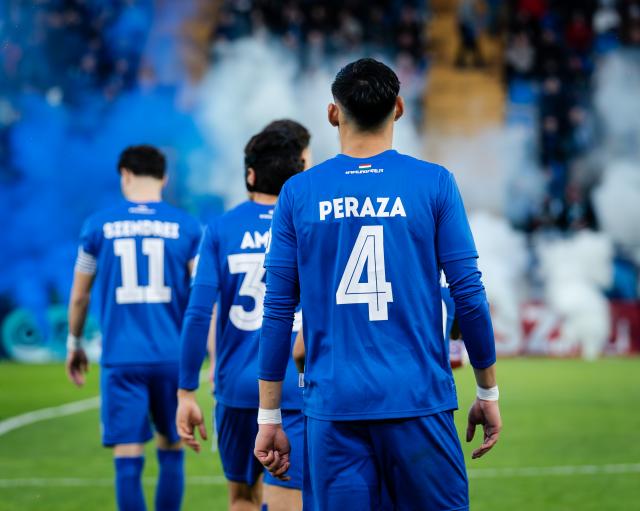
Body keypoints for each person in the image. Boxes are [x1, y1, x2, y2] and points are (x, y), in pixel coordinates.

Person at [254, 58, 502, 510]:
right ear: (399, 108)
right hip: (419, 400)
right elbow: (468, 294)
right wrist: (487, 391)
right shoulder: (434, 183)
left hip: (334, 409)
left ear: (333, 113)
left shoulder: (298, 193)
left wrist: (269, 416)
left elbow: (276, 311)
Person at [176, 121, 311, 511]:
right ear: (298, 171)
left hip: (236, 387)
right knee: (289, 497)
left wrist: (186, 391)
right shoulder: (308, 223)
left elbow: (198, 313)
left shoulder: (221, 229)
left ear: (250, 175)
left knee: (241, 498)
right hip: (292, 386)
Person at [66, 145, 202, 511]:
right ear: (164, 178)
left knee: (127, 454)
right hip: (172, 357)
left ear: (124, 175)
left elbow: (79, 297)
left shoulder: (98, 226)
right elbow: (202, 297)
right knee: (172, 447)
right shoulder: (188, 227)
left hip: (121, 357)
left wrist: (74, 342)